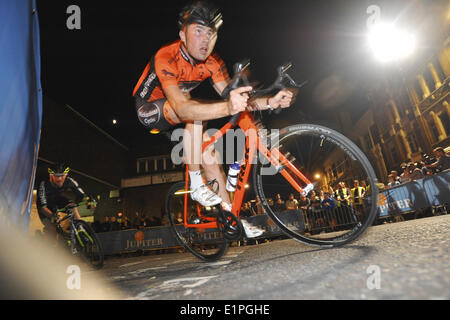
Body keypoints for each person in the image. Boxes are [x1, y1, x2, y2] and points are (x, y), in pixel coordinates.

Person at [132, 1, 294, 237]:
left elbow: (235, 99)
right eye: (198, 31)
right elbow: (185, 109)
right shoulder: (166, 56)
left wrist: (270, 101)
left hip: (183, 107)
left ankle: (231, 219)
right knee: (195, 111)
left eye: (210, 33)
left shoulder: (213, 62)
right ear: (182, 34)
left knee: (211, 156)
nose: (205, 39)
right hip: (149, 109)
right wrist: (228, 106)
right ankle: (197, 183)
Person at [36, 162, 90, 241]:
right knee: (52, 230)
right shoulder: (43, 184)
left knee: (72, 206)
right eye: (57, 176)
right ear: (51, 175)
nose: (60, 179)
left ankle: (80, 228)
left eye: (62, 176)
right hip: (45, 206)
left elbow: (82, 194)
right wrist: (52, 216)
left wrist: (89, 200)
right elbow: (43, 207)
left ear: (66, 175)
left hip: (57, 200)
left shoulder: (69, 181)